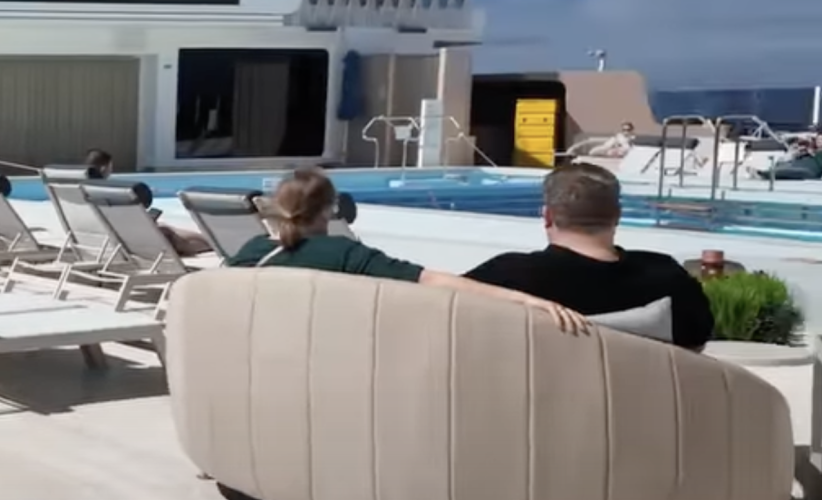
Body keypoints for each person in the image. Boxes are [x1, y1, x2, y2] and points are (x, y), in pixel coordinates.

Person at [227, 167, 591, 335]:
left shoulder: (252, 252)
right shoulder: (344, 254)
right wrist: (526, 300)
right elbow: (432, 281)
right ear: (328, 210)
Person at [464, 163, 714, 349]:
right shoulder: (667, 276)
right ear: (617, 215)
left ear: (548, 216)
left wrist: (516, 297)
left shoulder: (510, 275)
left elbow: (445, 299)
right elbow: (695, 346)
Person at [83, 149, 212, 258]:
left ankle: (210, 240)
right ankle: (212, 243)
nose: (111, 171)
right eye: (111, 167)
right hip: (126, 243)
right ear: (104, 168)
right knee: (170, 234)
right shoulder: (107, 193)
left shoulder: (86, 191)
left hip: (99, 240)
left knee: (163, 227)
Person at [568, 121, 635, 159]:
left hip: (622, 156)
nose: (626, 132)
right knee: (596, 151)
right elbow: (606, 147)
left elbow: (630, 149)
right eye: (624, 130)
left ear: (631, 130)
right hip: (610, 151)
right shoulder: (618, 137)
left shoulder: (633, 139)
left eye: (628, 130)